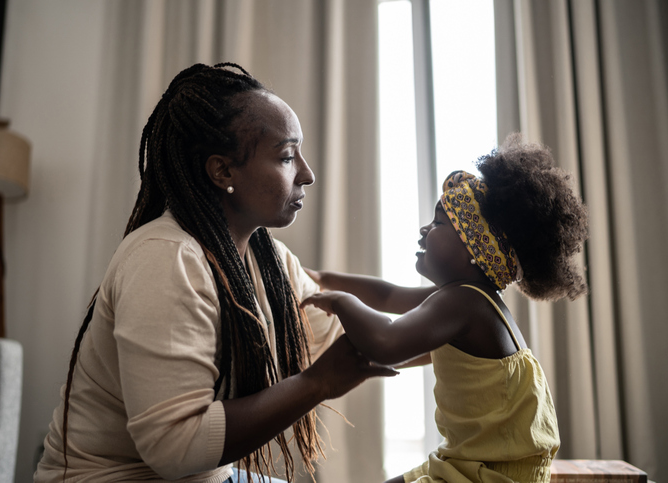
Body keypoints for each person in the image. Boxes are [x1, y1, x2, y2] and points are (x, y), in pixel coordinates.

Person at [34, 63, 397, 483]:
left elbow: (364, 343)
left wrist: (468, 308)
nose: (307, 174)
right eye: (285, 156)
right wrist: (316, 384)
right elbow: (176, 447)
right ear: (222, 170)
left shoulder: (268, 261)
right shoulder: (166, 259)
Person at [302, 134, 589, 483]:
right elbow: (389, 295)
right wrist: (324, 277)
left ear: (475, 249)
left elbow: (386, 342)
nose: (425, 230)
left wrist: (341, 302)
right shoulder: (470, 300)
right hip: (470, 462)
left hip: (487, 475)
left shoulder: (463, 303)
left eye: (439, 223)